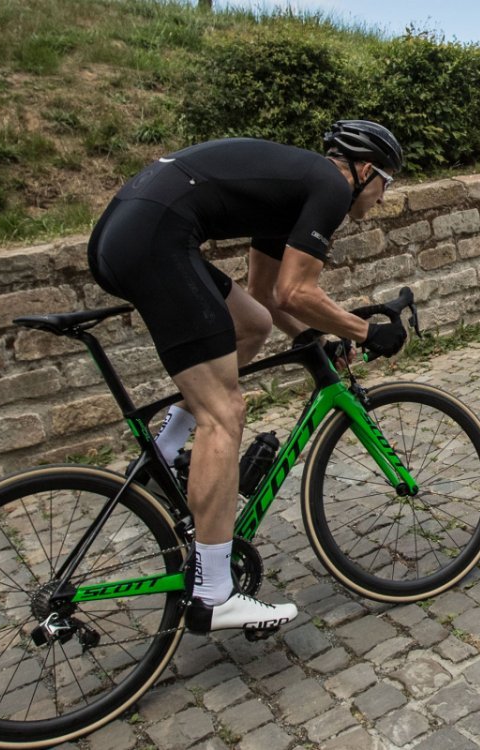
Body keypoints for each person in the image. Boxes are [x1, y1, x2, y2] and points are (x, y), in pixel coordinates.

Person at [85, 121, 409, 634]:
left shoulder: (293, 186)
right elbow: (296, 293)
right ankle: (214, 594)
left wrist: (320, 340)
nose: (381, 198)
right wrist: (367, 332)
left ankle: (165, 453)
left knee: (249, 325)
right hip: (155, 237)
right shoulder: (328, 187)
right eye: (385, 184)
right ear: (365, 171)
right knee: (225, 412)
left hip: (128, 231)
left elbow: (267, 297)